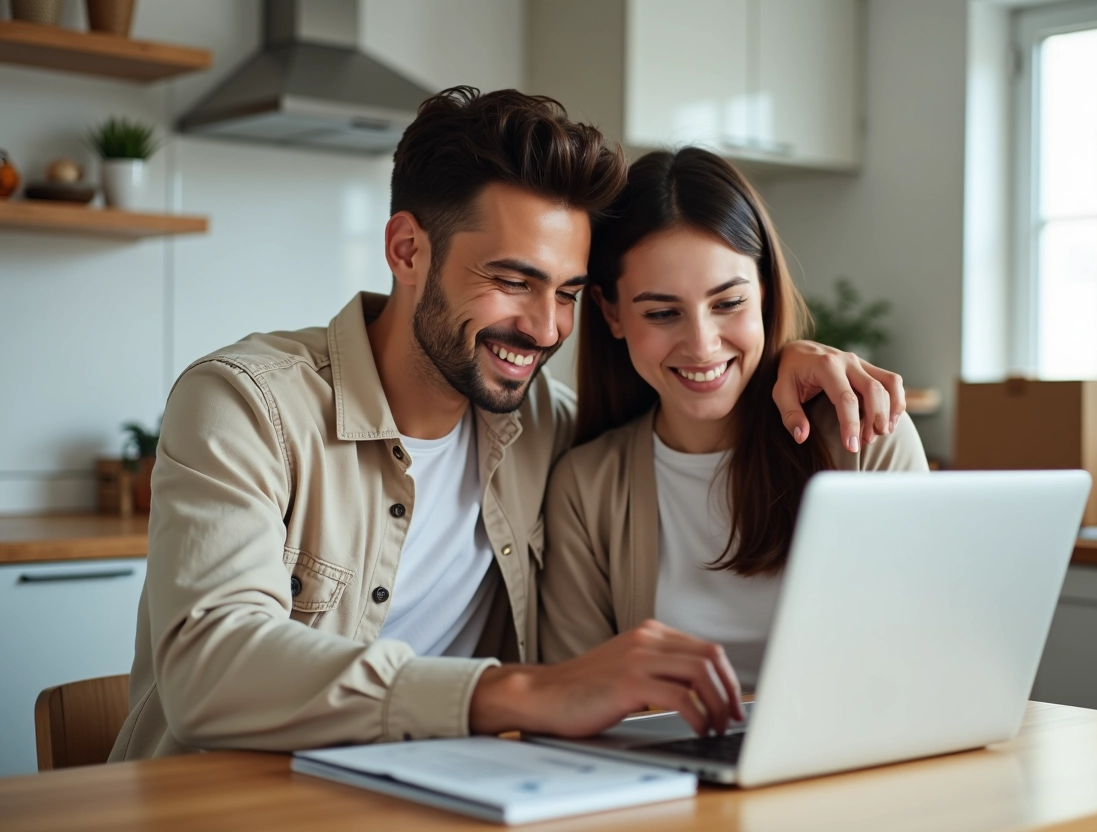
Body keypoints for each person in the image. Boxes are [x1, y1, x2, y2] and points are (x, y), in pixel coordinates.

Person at [109, 88, 908, 762]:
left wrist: (785, 357)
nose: (545, 327)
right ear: (407, 249)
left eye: (567, 292)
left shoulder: (551, 431)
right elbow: (209, 666)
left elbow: (692, 388)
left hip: (443, 794)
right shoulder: (247, 405)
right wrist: (520, 691)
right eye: (513, 281)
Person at [540, 148, 930, 686]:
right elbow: (577, 696)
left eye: (728, 304)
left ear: (764, 293)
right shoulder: (584, 489)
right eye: (662, 312)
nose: (702, 344)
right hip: (667, 746)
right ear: (612, 313)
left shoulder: (863, 434)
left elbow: (921, 652)